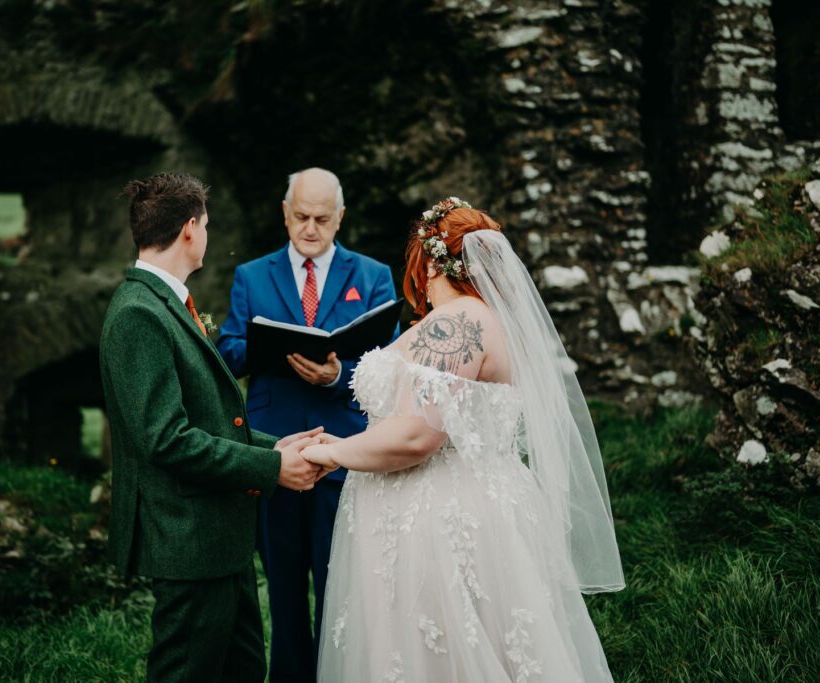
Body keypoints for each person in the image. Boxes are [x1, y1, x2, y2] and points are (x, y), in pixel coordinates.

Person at [302, 198, 626, 681]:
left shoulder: (457, 324)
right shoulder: (494, 323)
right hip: (483, 504)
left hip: (436, 518)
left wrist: (330, 453)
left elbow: (417, 436)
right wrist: (353, 442)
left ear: (431, 261)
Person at [99, 172, 329, 683]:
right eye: (205, 224)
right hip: (187, 541)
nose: (207, 234)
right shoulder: (139, 313)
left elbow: (212, 420)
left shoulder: (168, 303)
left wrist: (280, 445)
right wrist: (271, 467)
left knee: (242, 671)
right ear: (189, 230)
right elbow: (166, 439)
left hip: (220, 540)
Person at [217, 168, 399, 681]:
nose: (311, 228)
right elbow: (228, 351)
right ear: (284, 212)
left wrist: (338, 373)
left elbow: (392, 358)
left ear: (340, 216)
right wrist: (269, 350)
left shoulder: (373, 275)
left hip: (345, 450)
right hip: (275, 450)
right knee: (284, 584)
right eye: (301, 217)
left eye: (322, 218)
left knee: (341, 584)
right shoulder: (252, 276)